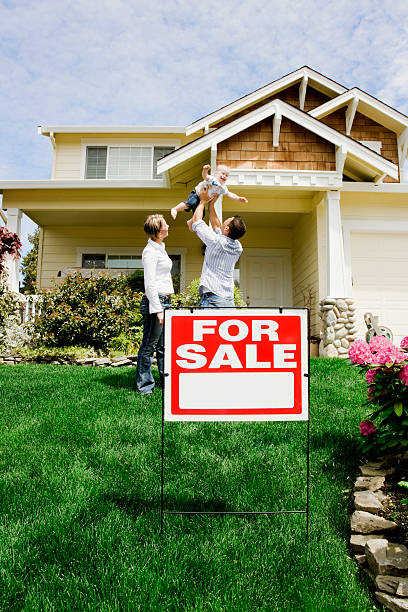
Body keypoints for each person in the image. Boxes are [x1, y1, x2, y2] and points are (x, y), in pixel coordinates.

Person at [136, 214, 174, 395]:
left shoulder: (160, 248)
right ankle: (145, 386)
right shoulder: (150, 251)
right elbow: (150, 283)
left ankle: (166, 381)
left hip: (166, 301)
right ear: (159, 230)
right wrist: (159, 310)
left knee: (164, 346)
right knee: (148, 346)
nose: (168, 225)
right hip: (156, 302)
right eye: (165, 223)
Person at [191, 187, 246, 308]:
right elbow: (217, 226)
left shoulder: (216, 242)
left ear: (227, 229)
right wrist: (211, 205)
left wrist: (202, 201)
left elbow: (196, 221)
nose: (223, 222)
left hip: (212, 299)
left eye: (226, 221)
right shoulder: (238, 247)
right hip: (228, 300)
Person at [171, 164, 248, 231]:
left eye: (226, 175)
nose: (224, 176)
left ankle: (190, 222)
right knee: (191, 203)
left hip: (203, 200)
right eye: (223, 173)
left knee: (202, 215)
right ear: (215, 173)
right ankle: (175, 209)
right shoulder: (212, 179)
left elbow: (229, 194)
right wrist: (205, 170)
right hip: (197, 194)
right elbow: (205, 176)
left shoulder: (223, 187)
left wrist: (238, 198)